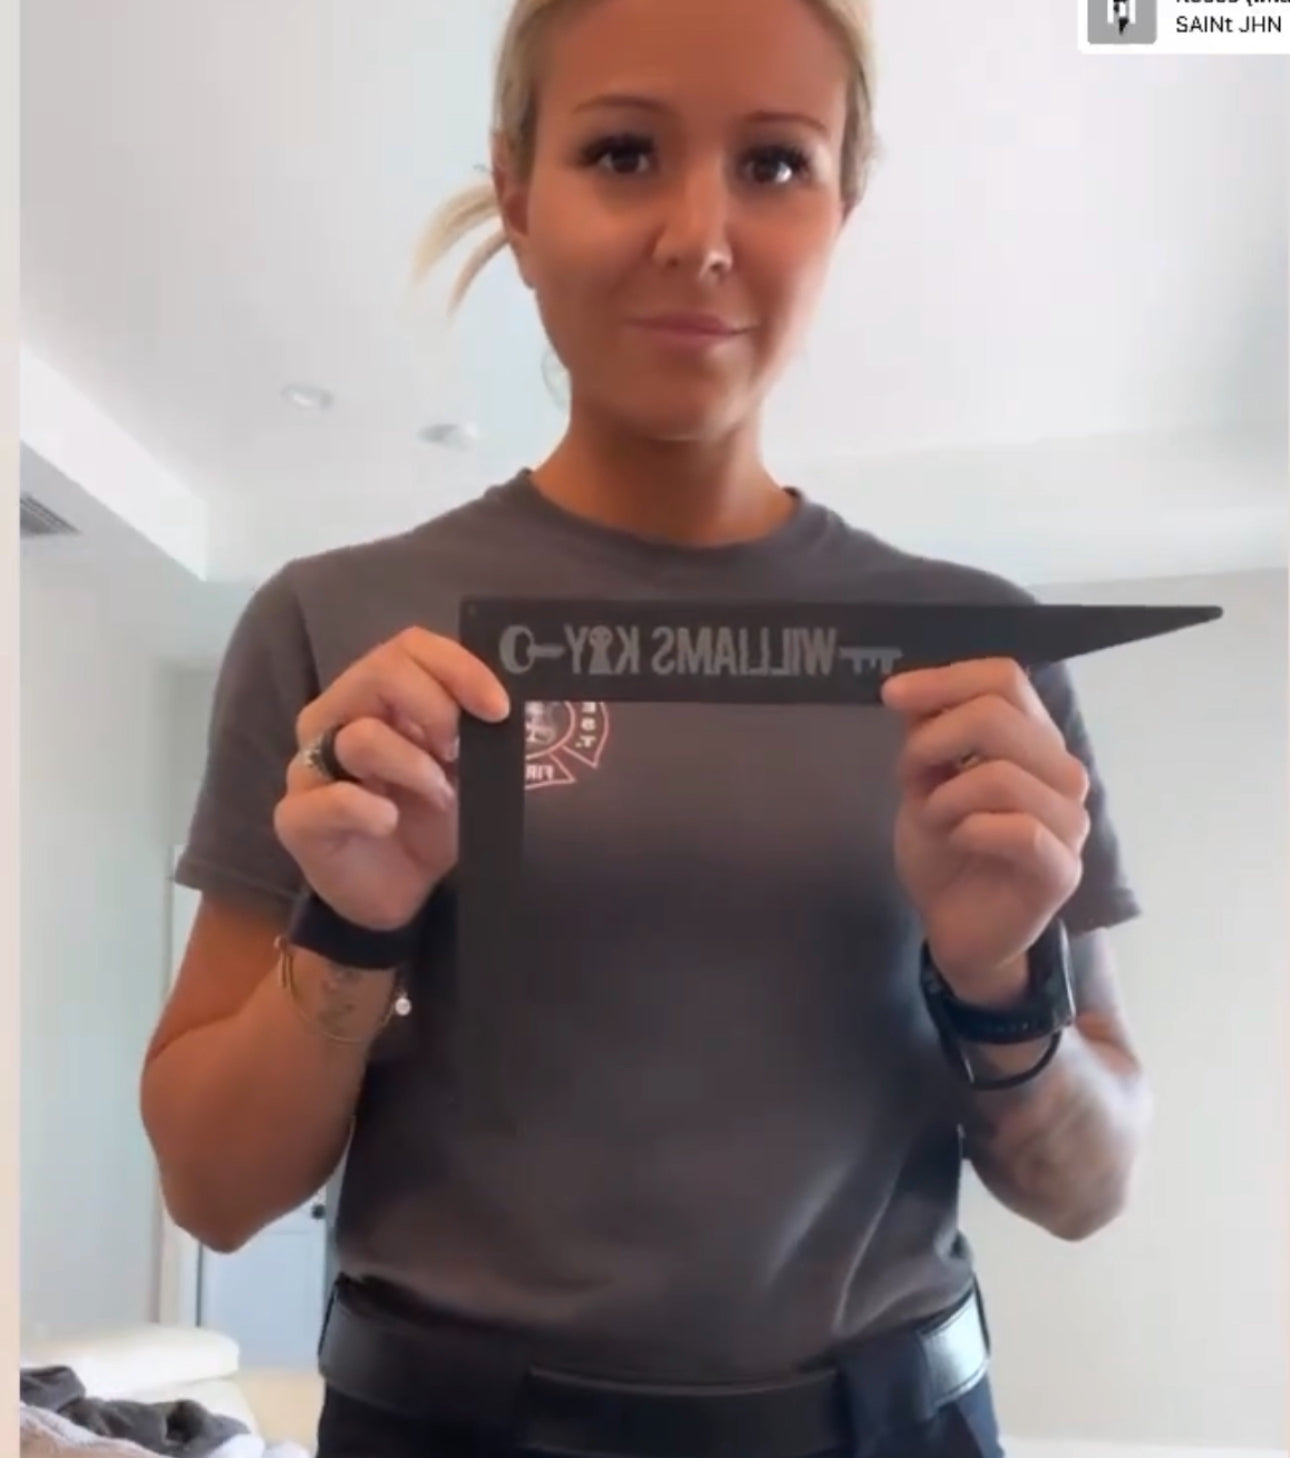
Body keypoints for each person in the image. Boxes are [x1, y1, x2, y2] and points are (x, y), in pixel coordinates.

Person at [140, 1, 1152, 1454]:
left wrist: (998, 979)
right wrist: (351, 927)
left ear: (842, 206)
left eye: (776, 163)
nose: (700, 236)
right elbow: (214, 1188)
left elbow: (1090, 1186)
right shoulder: (333, 626)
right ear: (517, 195)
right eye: (622, 153)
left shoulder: (981, 660)